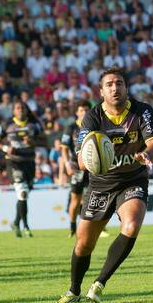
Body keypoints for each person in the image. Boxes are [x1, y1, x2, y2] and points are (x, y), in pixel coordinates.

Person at [56, 67, 153, 303]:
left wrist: (147, 153)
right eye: (110, 84)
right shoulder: (93, 117)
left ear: (126, 87)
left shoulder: (142, 110)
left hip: (133, 179)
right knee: (84, 244)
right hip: (101, 184)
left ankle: (100, 283)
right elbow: (82, 161)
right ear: (101, 91)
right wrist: (89, 159)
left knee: (132, 224)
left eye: (120, 83)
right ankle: (74, 290)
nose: (115, 88)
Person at [0, 101, 44, 237]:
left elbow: (44, 141)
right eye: (18, 108)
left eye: (23, 107)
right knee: (22, 193)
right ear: (13, 111)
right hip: (13, 163)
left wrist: (33, 142)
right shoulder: (6, 125)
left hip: (29, 163)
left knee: (23, 196)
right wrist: (5, 148)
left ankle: (16, 222)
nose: (21, 110)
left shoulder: (34, 125)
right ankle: (26, 227)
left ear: (27, 110)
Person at [60, 100, 91, 238]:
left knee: (95, 198)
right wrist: (67, 164)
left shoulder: (96, 126)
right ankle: (72, 226)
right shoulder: (71, 128)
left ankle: (99, 227)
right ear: (77, 112)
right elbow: (64, 148)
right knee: (75, 200)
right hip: (77, 168)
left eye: (86, 110)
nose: (84, 112)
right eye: (81, 110)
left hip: (93, 167)